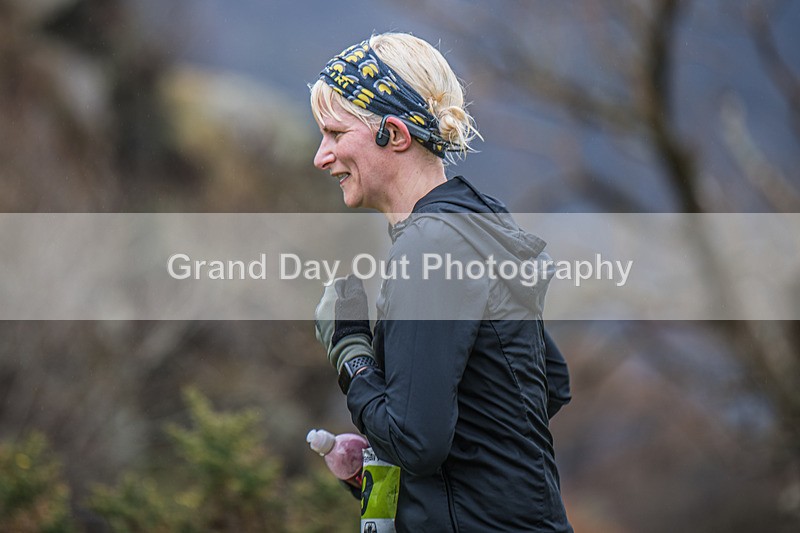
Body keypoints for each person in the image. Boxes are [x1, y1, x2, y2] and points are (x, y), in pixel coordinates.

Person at [310, 33, 573, 532]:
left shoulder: (429, 247)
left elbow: (418, 443)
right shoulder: (477, 224)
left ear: (395, 134)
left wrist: (351, 355)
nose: (321, 157)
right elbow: (547, 383)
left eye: (335, 133)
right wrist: (375, 452)